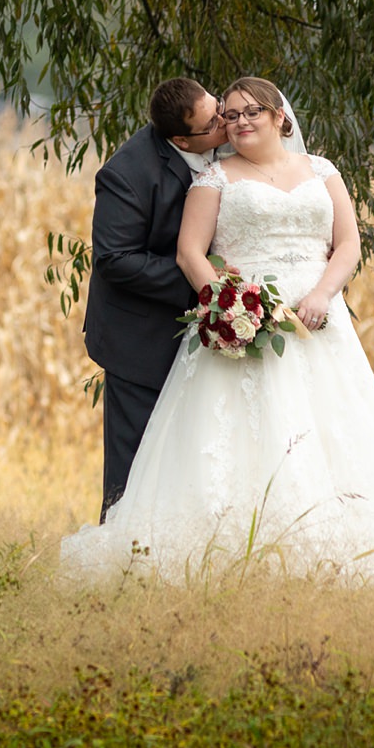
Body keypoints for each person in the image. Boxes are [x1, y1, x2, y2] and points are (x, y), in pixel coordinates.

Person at [63, 76, 374, 588]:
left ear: (279, 117)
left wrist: (321, 295)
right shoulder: (202, 176)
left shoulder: (323, 171)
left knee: (328, 432)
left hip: (317, 325)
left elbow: (348, 244)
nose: (235, 122)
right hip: (229, 320)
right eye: (227, 115)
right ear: (188, 138)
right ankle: (162, 551)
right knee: (218, 440)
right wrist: (227, 306)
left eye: (249, 113)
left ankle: (329, 552)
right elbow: (185, 254)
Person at [82, 77, 230, 523]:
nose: (226, 120)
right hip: (139, 337)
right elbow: (115, 259)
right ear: (181, 139)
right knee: (135, 462)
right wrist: (201, 277)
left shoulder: (227, 142)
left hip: (205, 335)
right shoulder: (127, 173)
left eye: (219, 106)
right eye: (214, 121)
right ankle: (117, 560)